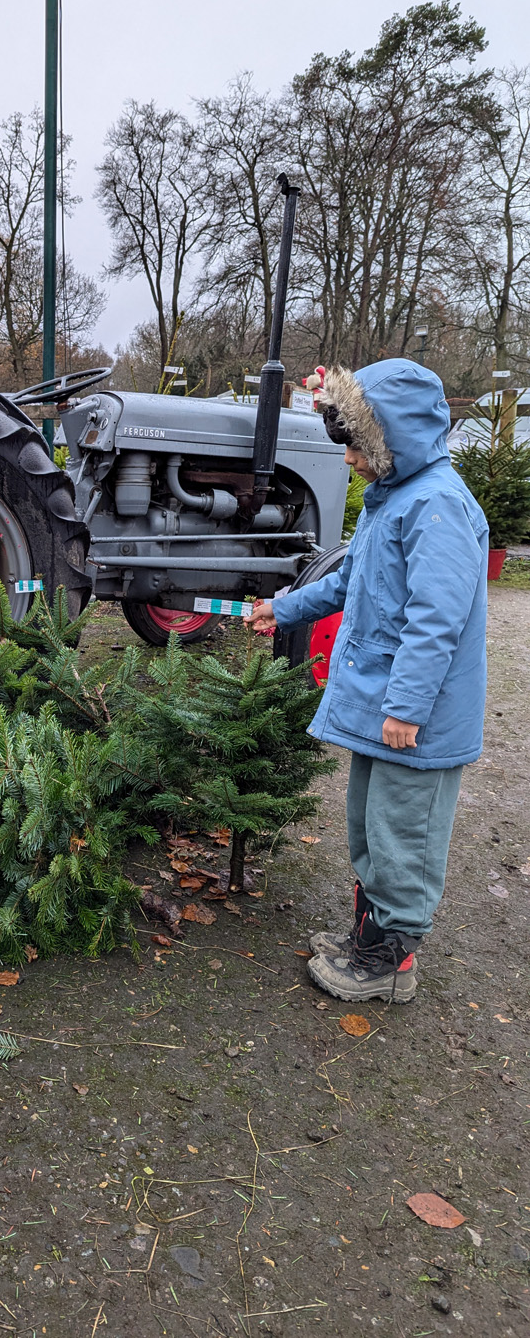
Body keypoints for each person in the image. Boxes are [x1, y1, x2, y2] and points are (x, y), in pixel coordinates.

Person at [249, 359, 488, 1004]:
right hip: (388, 711)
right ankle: (367, 935)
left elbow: (437, 619)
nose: (348, 458)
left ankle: (392, 961)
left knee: (403, 833)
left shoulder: (436, 506)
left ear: (390, 437)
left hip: (416, 723)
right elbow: (351, 578)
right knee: (369, 824)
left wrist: (408, 706)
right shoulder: (394, 501)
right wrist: (285, 607)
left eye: (355, 443)